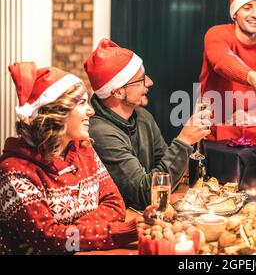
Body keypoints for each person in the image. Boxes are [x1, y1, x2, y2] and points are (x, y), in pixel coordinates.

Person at [0, 62, 151, 254]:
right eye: (81, 103)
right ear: (57, 112)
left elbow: (115, 205)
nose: (91, 111)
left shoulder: (84, 149)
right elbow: (47, 239)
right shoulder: (15, 170)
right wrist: (120, 232)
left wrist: (69, 232)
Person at [85, 39, 211, 211]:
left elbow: (165, 177)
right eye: (141, 79)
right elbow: (147, 193)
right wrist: (184, 141)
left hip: (146, 215)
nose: (150, 82)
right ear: (118, 92)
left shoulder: (142, 116)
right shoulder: (100, 133)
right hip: (123, 223)